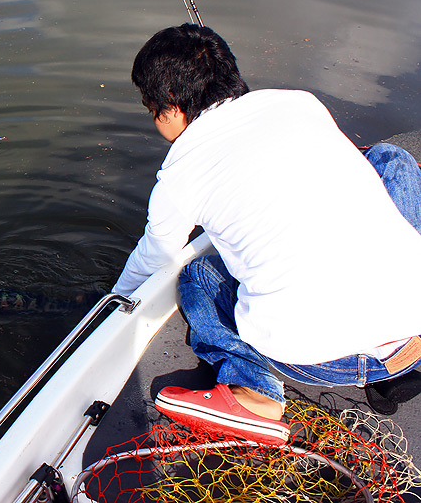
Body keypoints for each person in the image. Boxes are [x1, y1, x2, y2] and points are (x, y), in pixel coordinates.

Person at [111, 23, 421, 445]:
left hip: (322, 361)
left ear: (171, 103)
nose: (154, 120)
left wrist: (110, 306)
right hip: (412, 327)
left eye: (151, 108)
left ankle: (253, 391)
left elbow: (154, 258)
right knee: (391, 158)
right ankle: (396, 362)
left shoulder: (179, 176)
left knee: (196, 277)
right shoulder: (299, 102)